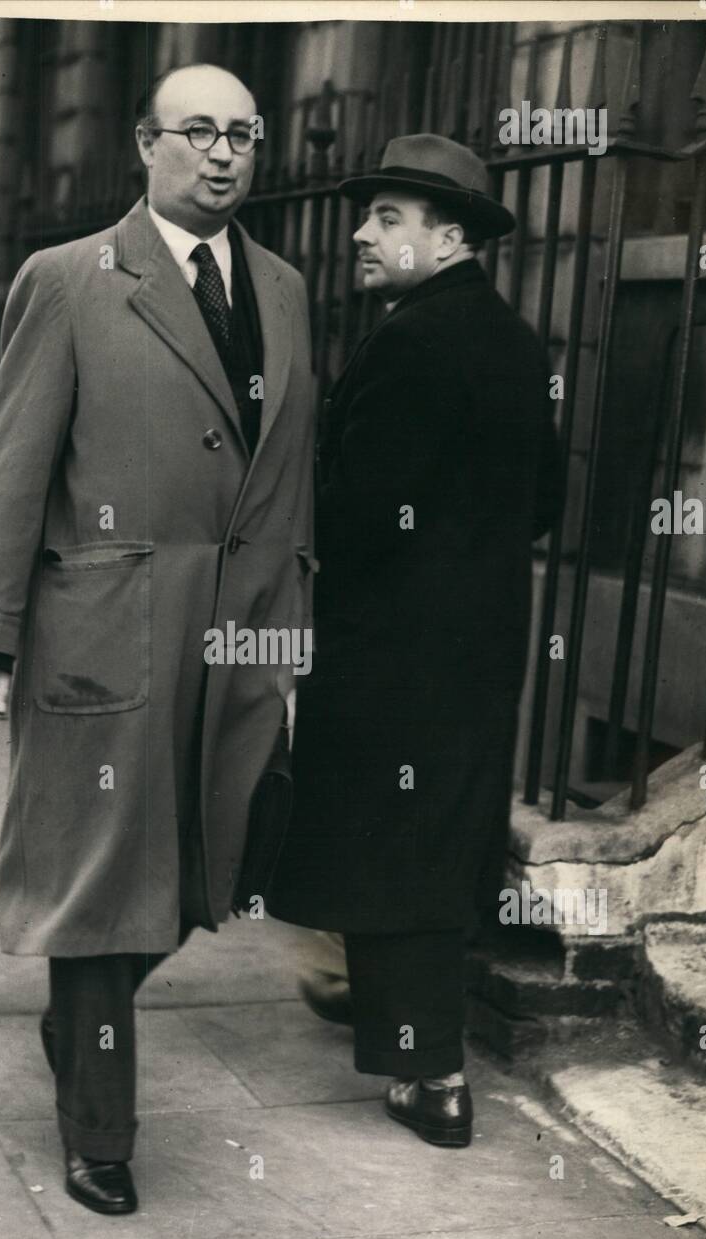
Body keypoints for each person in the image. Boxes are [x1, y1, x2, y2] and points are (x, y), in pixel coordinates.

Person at [0, 64, 315, 1214]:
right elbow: (10, 468)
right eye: (197, 132)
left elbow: (287, 476)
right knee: (104, 886)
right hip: (104, 633)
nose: (222, 154)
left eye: (242, 134)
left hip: (238, 638)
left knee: (226, 856)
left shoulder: (286, 288)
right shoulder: (70, 279)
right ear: (145, 147)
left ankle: (75, 1016)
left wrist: (289, 636)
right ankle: (98, 1131)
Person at [267, 134, 564, 1149]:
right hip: (479, 646)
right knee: (436, 837)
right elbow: (547, 501)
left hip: (393, 651)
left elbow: (356, 514)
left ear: (447, 237)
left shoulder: (410, 342)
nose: (359, 231)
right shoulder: (518, 343)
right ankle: (382, 1011)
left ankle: (431, 1077)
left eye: (386, 217)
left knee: (393, 847)